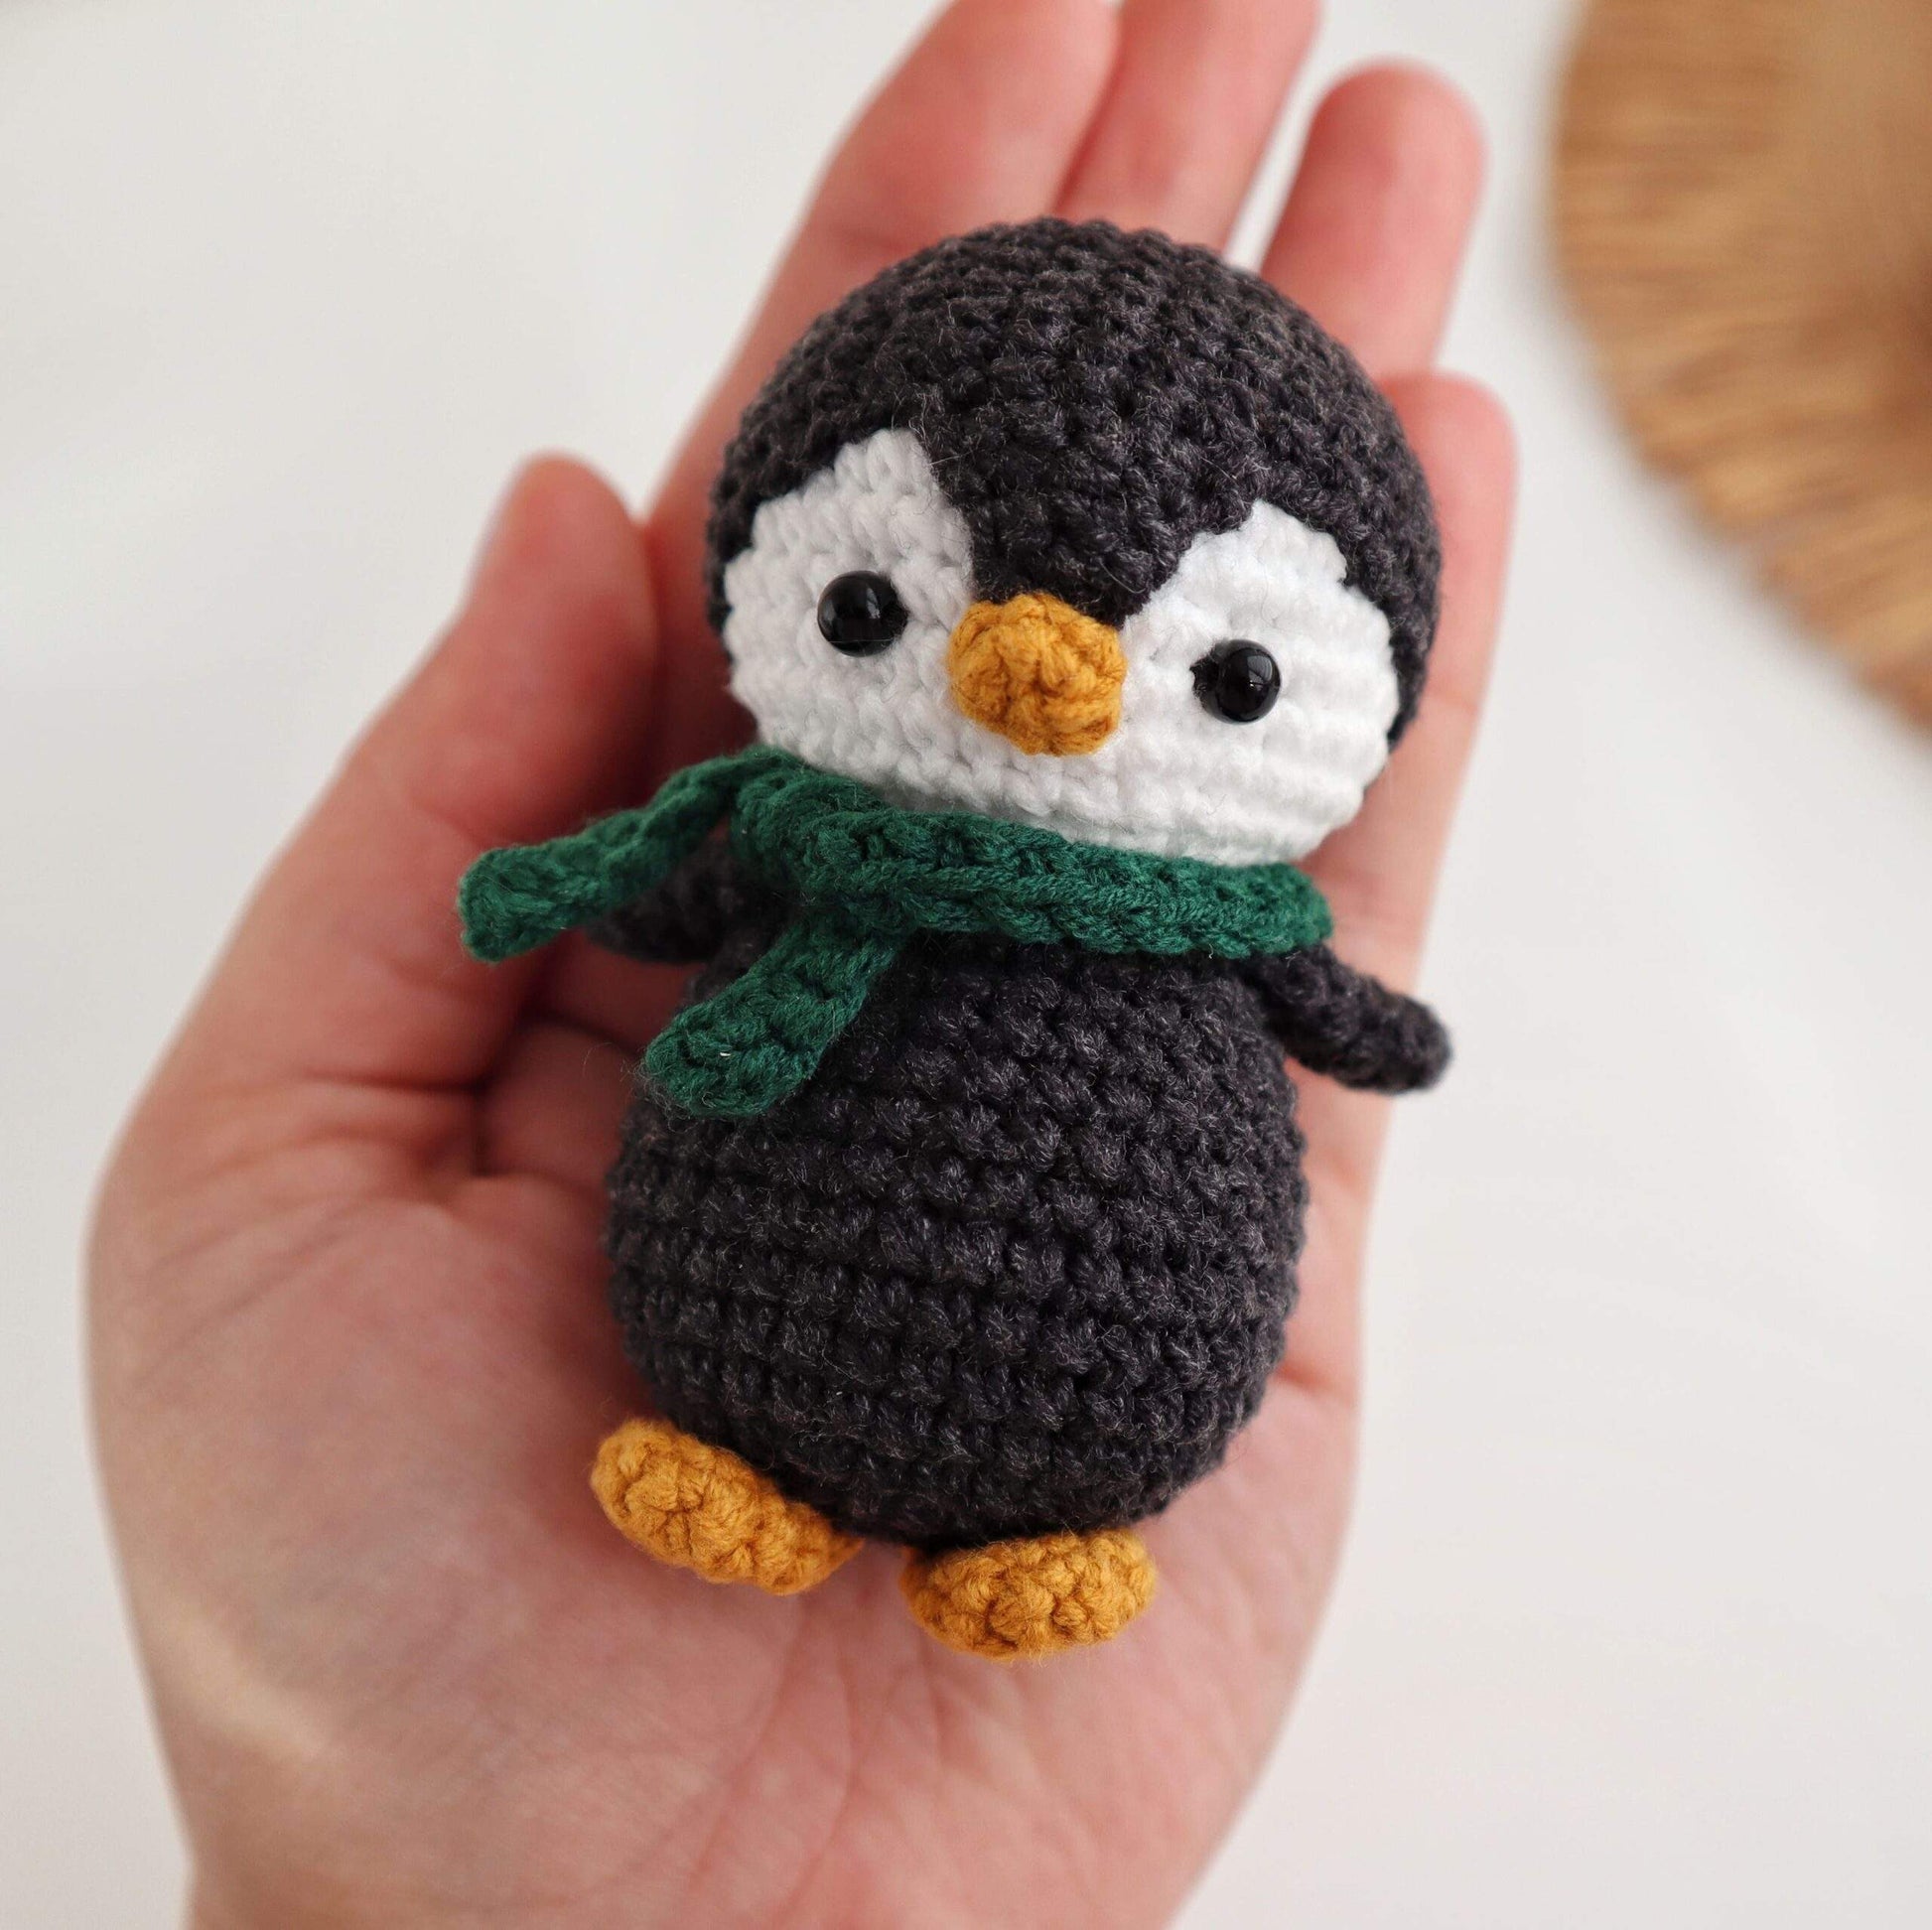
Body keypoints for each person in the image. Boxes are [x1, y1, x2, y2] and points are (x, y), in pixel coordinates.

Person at [88, 2, 1514, 1921]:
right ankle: (759, 1464)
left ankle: (1042, 1525)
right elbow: (680, 900)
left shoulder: (1194, 919)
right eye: (876, 603)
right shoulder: (803, 842)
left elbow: (1320, 996)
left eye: (1231, 670)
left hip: (1112, 1353)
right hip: (743, 1322)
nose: (1035, 676)